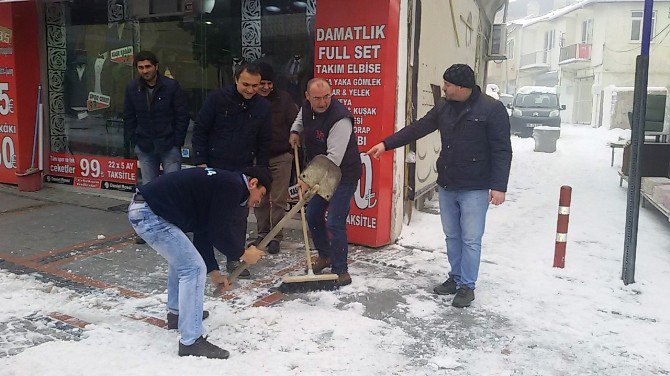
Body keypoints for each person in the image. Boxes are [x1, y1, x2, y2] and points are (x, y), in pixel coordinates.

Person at [367, 64, 512, 308]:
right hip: (447, 182)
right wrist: (386, 144)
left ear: (461, 87)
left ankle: (467, 286)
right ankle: (455, 278)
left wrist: (499, 186)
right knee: (452, 235)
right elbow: (418, 128)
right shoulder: (444, 106)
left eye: (447, 84)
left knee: (471, 238)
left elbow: (502, 150)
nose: (443, 88)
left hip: (475, 186)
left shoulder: (492, 109)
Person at [127, 166, 271, 359]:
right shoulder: (233, 186)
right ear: (253, 183)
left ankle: (176, 315)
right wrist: (243, 253)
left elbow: (204, 230)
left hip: (145, 209)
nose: (257, 202)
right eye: (260, 195)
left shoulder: (226, 183)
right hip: (150, 214)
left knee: (183, 261)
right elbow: (218, 231)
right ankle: (191, 340)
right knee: (192, 268)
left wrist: (213, 272)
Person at [191, 62, 271, 278]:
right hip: (213, 167)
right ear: (236, 79)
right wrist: (200, 161)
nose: (250, 90)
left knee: (239, 215)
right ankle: (204, 261)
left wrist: (260, 173)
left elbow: (264, 143)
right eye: (246, 84)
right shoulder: (217, 99)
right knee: (207, 215)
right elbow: (200, 129)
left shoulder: (262, 107)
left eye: (255, 85)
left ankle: (234, 258)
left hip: (243, 169)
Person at [289, 78, 361, 286]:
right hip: (322, 170)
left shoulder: (341, 119)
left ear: (332, 94)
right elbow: (300, 120)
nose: (322, 103)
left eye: (327, 97)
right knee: (312, 215)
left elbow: (333, 159)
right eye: (317, 98)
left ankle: (341, 270)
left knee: (335, 221)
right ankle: (325, 255)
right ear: (308, 97)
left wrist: (307, 180)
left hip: (343, 173)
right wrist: (295, 132)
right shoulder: (306, 108)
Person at [123, 50, 189, 244]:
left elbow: (182, 115)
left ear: (156, 66)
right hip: (144, 145)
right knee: (148, 190)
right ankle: (147, 228)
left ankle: (173, 227)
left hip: (168, 144)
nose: (145, 71)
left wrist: (177, 141)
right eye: (141, 67)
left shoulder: (171, 86)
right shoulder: (132, 87)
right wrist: (133, 140)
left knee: (172, 188)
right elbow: (128, 116)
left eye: (148, 66)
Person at [248, 62, 299, 254]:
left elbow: (295, 124)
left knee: (278, 199)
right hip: (257, 159)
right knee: (260, 198)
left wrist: (295, 137)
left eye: (270, 83)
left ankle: (275, 236)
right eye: (262, 83)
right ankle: (263, 233)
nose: (266, 87)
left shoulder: (284, 100)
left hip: (281, 156)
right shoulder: (249, 100)